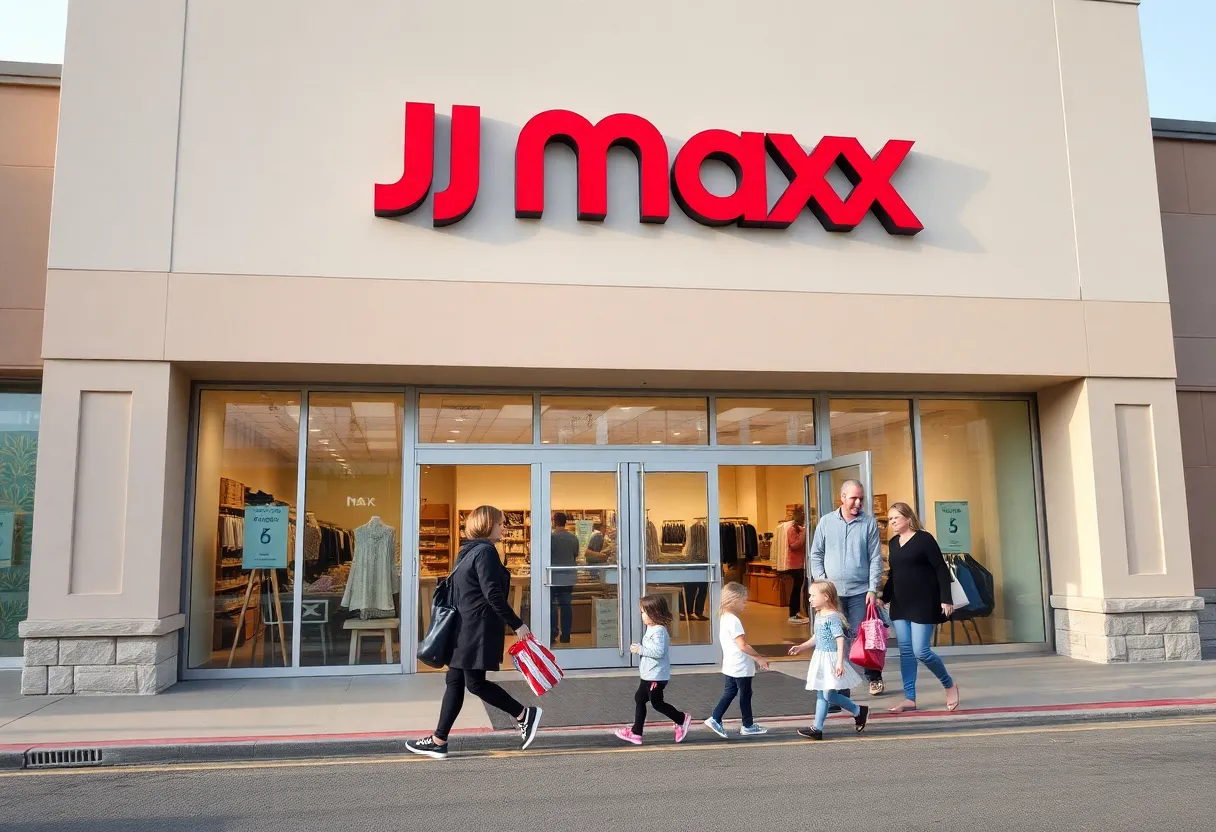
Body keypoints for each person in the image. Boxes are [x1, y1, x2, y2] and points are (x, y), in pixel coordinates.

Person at [407, 506, 542, 760]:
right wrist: (517, 624)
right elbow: (493, 594)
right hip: (473, 629)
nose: (505, 527)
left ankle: (523, 715)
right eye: (501, 523)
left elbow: (481, 594)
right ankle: (440, 739)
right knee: (461, 682)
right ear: (486, 524)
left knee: (470, 683)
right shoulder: (485, 552)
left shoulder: (468, 551)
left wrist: (514, 624)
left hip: (469, 628)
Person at [810, 478, 886, 697]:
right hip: (832, 594)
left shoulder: (869, 523)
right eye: (854, 498)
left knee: (862, 638)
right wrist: (822, 582)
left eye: (861, 499)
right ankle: (840, 691)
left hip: (860, 593)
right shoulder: (825, 522)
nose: (858, 503)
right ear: (842, 497)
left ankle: (873, 676)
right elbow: (816, 553)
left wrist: (872, 589)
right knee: (836, 640)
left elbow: (875, 558)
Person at [882, 501, 961, 713]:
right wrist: (884, 597)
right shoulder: (892, 543)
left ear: (908, 518)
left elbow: (940, 569)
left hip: (923, 603)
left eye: (896, 518)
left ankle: (949, 684)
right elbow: (894, 574)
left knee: (921, 651)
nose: (892, 523)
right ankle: (910, 698)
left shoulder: (924, 539)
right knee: (906, 652)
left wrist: (946, 599)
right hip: (900, 604)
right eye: (890, 520)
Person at [788, 580, 871, 740]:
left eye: (813, 595)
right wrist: (801, 647)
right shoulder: (819, 615)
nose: (810, 599)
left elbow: (839, 638)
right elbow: (817, 638)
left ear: (826, 597)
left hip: (831, 659)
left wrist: (839, 662)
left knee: (828, 695)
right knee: (822, 694)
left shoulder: (832, 617)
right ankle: (817, 728)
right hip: (820, 657)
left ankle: (859, 711)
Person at [615, 594, 693, 745]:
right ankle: (636, 733)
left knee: (656, 703)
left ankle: (681, 719)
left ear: (654, 613)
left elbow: (659, 652)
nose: (642, 615)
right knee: (640, 699)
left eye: (643, 612)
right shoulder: (651, 628)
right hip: (649, 674)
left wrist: (640, 650)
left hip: (656, 676)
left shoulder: (659, 631)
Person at [704, 582, 770, 738]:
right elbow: (743, 645)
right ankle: (747, 724)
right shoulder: (734, 620)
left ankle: (716, 718)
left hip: (730, 664)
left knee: (730, 692)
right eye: (744, 601)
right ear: (733, 600)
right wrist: (759, 658)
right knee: (745, 694)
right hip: (740, 666)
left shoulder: (725, 618)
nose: (745, 605)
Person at [550, 512, 579, 644]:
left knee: (553, 606)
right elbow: (575, 555)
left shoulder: (551, 538)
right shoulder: (573, 538)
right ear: (566, 522)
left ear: (554, 521)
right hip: (569, 577)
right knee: (566, 606)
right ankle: (566, 635)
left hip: (554, 577)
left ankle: (552, 633)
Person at [786, 507, 808, 624]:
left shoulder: (799, 529)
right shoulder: (791, 530)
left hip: (800, 564)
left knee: (799, 588)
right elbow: (794, 545)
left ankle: (797, 612)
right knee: (796, 588)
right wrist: (804, 534)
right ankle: (793, 613)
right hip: (794, 565)